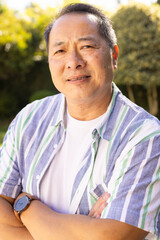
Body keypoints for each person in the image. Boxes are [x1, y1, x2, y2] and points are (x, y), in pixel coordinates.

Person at [0, 3, 160, 240]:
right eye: (60, 51)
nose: (73, 61)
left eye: (86, 46)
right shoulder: (29, 119)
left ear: (113, 56)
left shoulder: (145, 137)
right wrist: (83, 230)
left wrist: (25, 206)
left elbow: (113, 237)